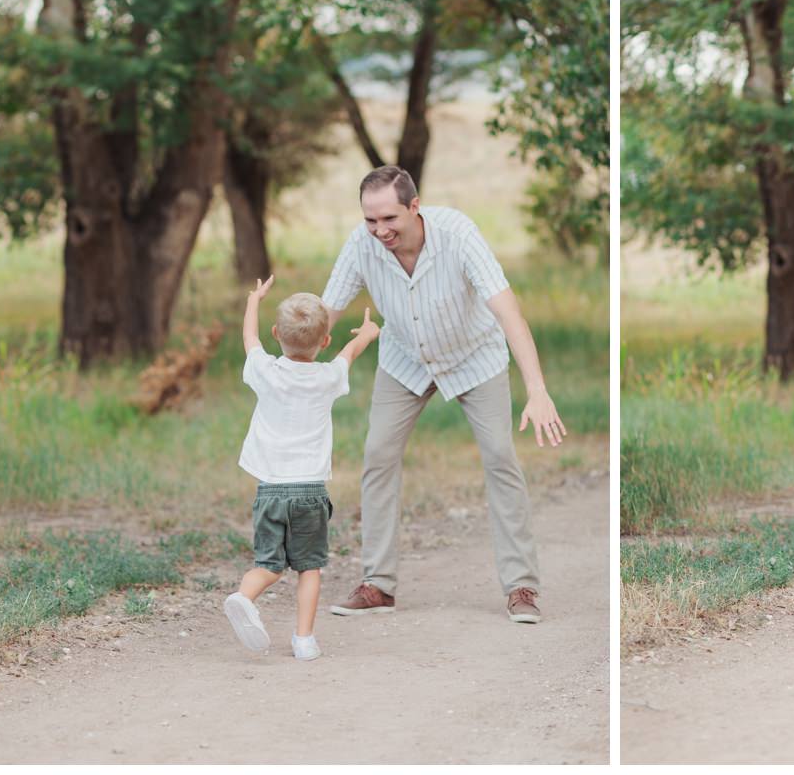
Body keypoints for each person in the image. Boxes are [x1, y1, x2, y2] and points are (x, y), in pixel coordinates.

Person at [321, 165, 568, 625]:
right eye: (370, 220)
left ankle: (521, 586)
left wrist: (537, 390)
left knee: (499, 456)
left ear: (415, 207)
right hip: (405, 360)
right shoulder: (361, 244)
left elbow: (508, 312)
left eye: (389, 219)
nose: (380, 231)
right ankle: (379, 584)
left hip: (475, 357)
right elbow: (326, 312)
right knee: (377, 454)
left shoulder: (458, 234)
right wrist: (290, 356)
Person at [224, 276, 380, 662]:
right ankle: (304, 640)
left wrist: (253, 301)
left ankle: (244, 596)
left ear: (277, 332)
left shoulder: (265, 371)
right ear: (323, 342)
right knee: (309, 568)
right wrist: (369, 332)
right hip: (310, 491)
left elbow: (250, 341)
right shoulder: (327, 377)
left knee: (269, 565)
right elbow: (350, 352)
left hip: (270, 489)